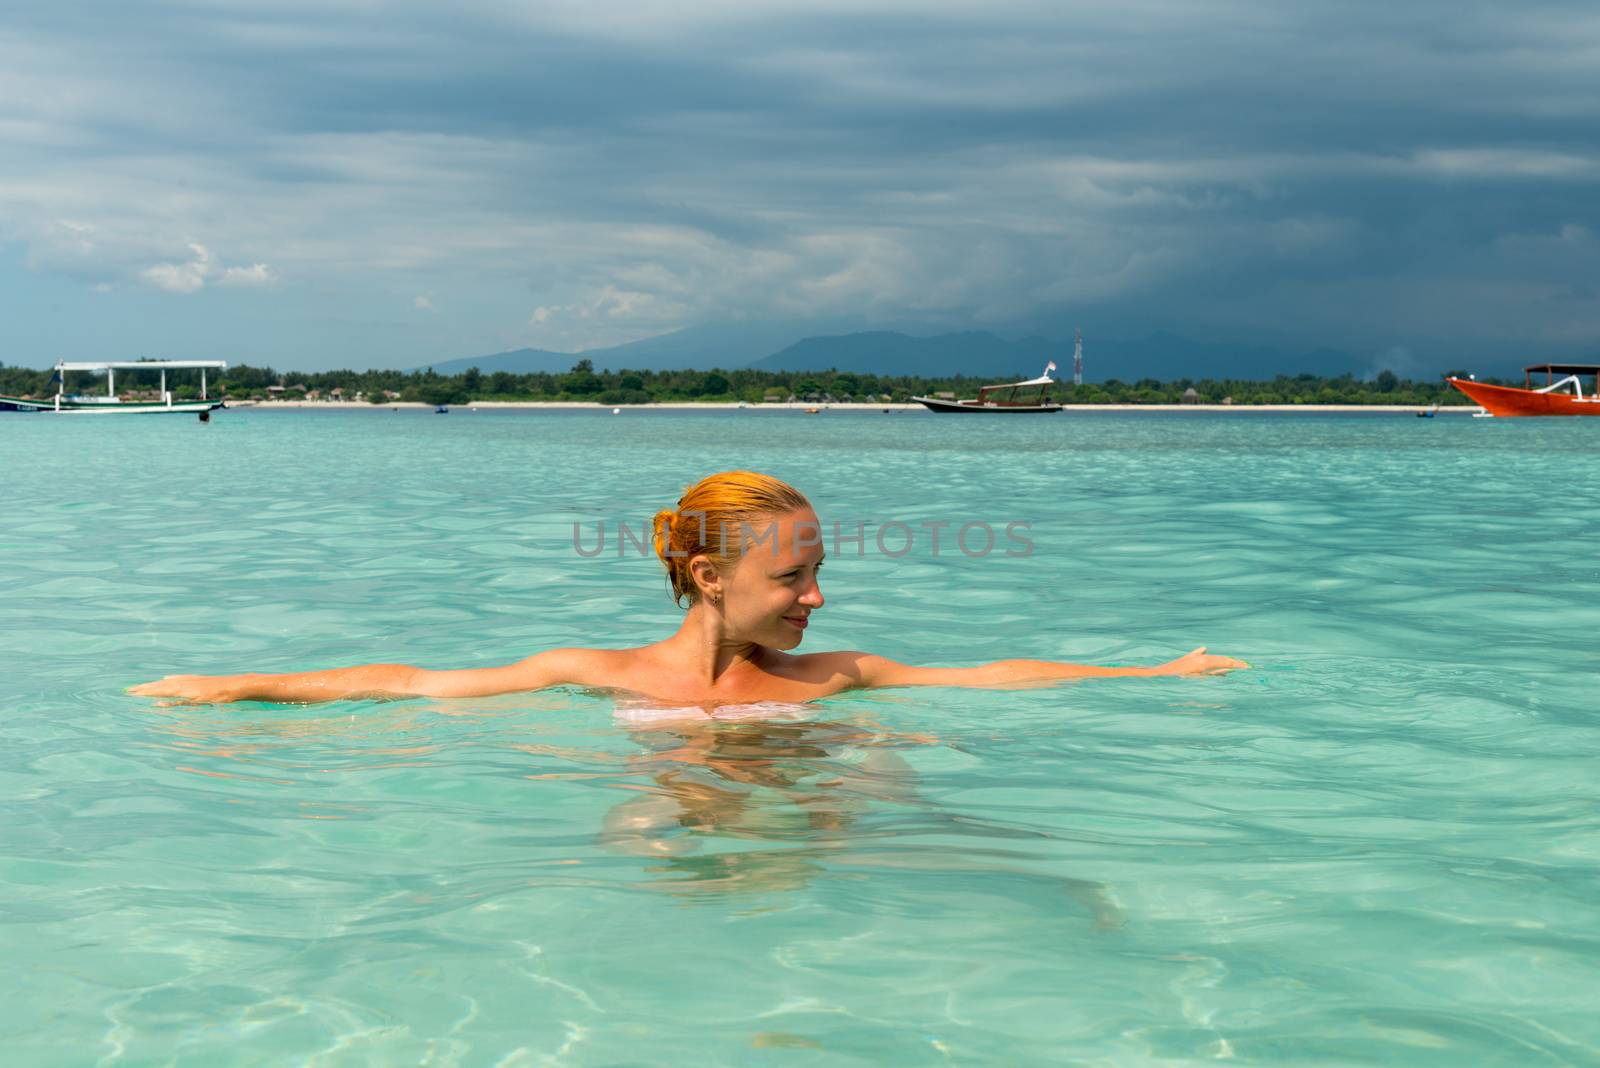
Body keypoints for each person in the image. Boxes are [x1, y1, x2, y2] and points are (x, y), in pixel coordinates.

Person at [130, 471, 1246, 706]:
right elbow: (409, 682)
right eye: (793, 576)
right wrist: (242, 688)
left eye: (819, 573)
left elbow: (996, 672)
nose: (816, 600)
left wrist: (1154, 667)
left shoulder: (833, 678)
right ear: (709, 576)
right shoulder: (591, 672)